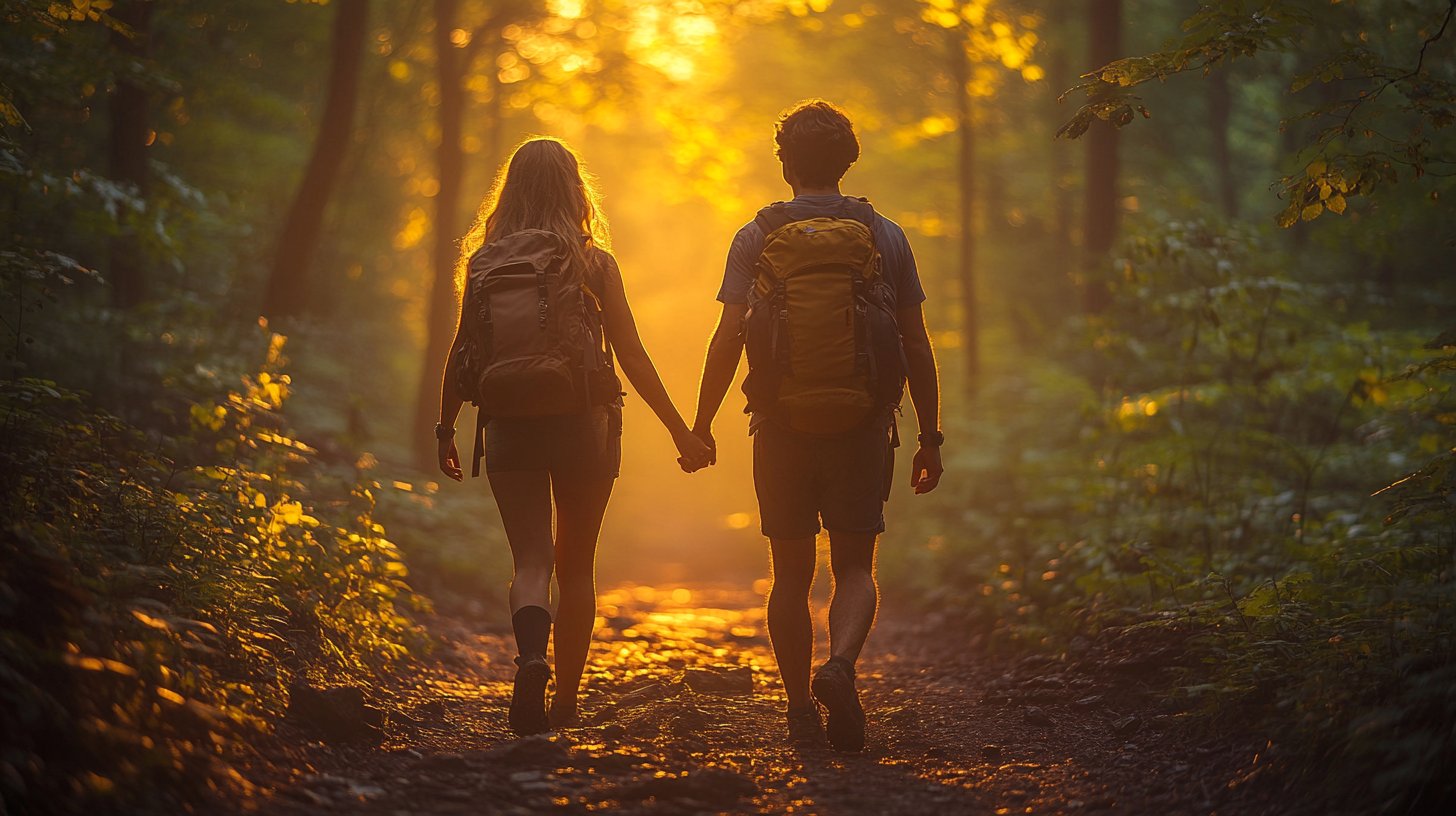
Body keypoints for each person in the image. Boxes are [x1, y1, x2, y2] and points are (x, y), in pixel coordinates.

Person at [436, 138, 713, 734]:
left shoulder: (484, 261)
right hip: (584, 421)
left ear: (509, 192)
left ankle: (530, 656)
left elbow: (462, 354)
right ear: (574, 190)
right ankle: (564, 702)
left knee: (531, 560)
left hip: (507, 422)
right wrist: (680, 431)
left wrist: (445, 428)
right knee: (577, 565)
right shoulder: (592, 262)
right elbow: (632, 356)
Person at [690, 100, 944, 751]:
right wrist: (930, 436)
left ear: (785, 163)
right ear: (848, 159)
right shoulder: (884, 234)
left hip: (780, 425)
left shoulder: (756, 236)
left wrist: (701, 422)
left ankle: (801, 705)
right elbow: (915, 342)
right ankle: (841, 667)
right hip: (864, 423)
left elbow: (727, 337)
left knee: (791, 573)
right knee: (855, 565)